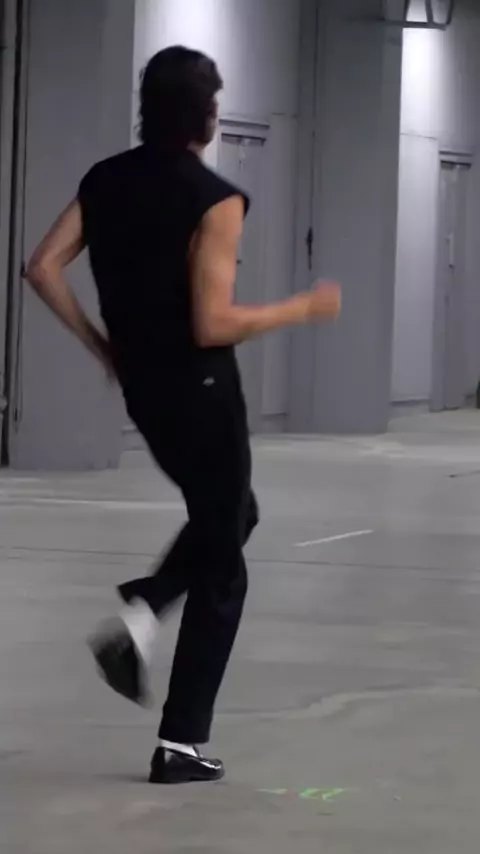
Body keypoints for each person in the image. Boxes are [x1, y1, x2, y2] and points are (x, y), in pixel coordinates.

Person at [25, 46, 341, 785]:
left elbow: (41, 267)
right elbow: (212, 323)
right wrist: (300, 308)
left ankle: (146, 609)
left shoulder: (105, 179)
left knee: (231, 515)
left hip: (145, 390)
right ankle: (180, 743)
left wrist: (102, 345)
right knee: (224, 563)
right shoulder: (214, 198)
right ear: (205, 113)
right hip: (202, 390)